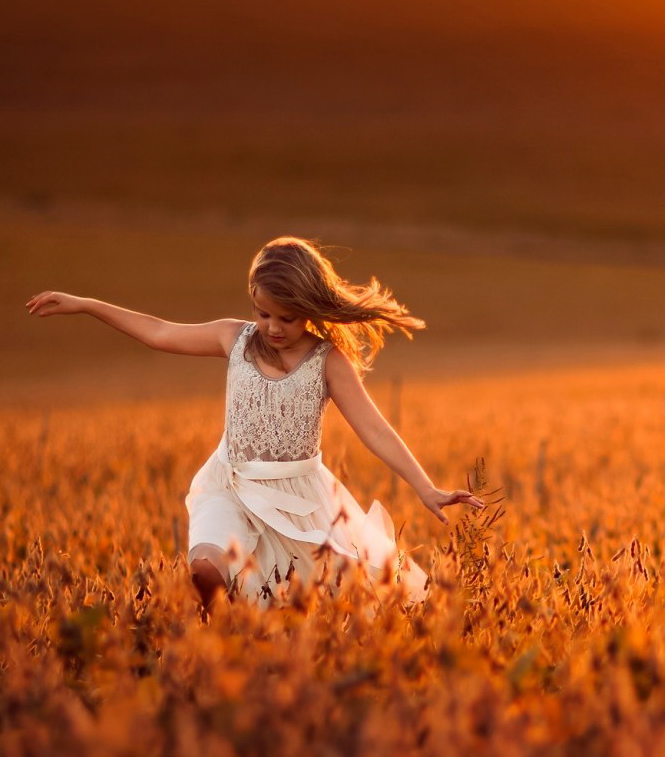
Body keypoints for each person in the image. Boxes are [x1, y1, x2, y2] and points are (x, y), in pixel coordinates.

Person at [24, 236, 484, 613]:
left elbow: (376, 429)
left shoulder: (328, 362)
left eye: (288, 317)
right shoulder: (234, 338)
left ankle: (253, 652)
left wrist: (426, 488)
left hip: (298, 501)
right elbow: (159, 331)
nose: (274, 327)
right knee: (205, 571)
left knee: (328, 605)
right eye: (264, 314)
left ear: (311, 308)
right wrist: (85, 304)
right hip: (230, 483)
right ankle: (212, 632)